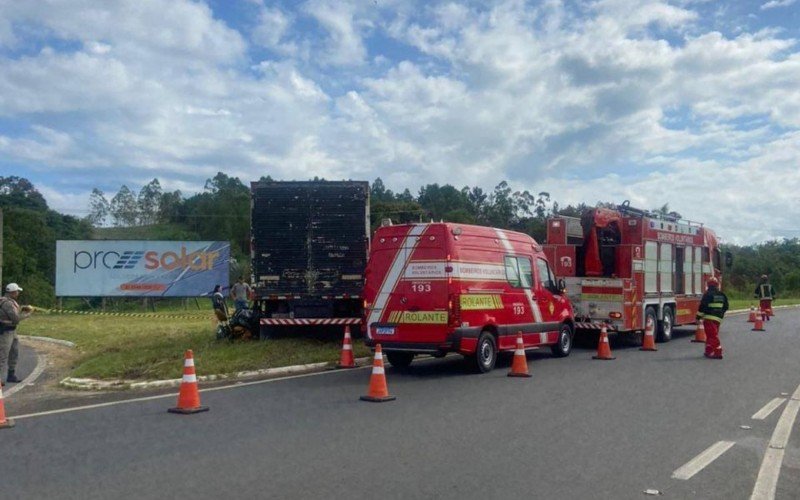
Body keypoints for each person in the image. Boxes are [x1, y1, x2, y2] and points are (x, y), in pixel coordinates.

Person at [0, 283, 33, 386]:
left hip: (12, 331)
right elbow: (15, 318)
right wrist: (27, 314)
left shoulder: (11, 302)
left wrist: (22, 310)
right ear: (13, 292)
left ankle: (11, 374)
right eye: (17, 291)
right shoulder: (7, 303)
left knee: (14, 352)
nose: (18, 293)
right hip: (6, 331)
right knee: (3, 355)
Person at [696, 277, 729, 359]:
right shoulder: (722, 294)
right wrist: (721, 314)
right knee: (711, 335)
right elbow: (726, 306)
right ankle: (708, 350)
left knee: (712, 336)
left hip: (709, 318)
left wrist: (698, 317)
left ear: (708, 285)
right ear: (717, 285)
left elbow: (702, 306)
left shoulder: (707, 294)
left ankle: (718, 352)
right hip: (718, 319)